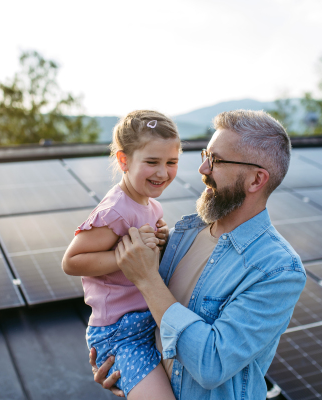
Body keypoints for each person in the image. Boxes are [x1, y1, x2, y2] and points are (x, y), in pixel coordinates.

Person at [91, 110, 307, 399]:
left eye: (216, 160)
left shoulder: (277, 270)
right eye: (206, 155)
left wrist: (146, 278)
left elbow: (211, 365)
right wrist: (125, 366)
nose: (203, 168)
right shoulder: (184, 233)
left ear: (256, 180)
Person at [62, 110, 180, 400]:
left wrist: (159, 240)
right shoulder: (115, 211)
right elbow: (71, 262)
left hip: (149, 319)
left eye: (171, 162)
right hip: (121, 334)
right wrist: (125, 256)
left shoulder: (151, 207)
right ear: (124, 160)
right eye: (151, 162)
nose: (162, 172)